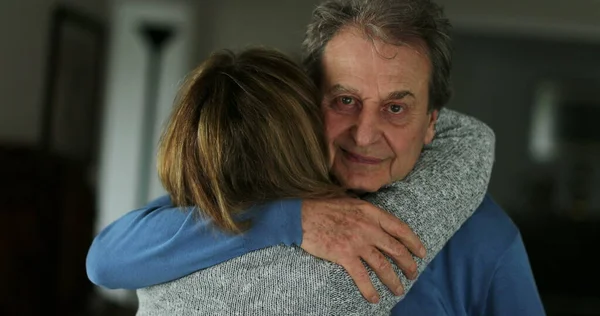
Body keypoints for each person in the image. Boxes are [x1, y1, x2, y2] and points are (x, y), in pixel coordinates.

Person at [88, 0, 544, 314]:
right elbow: (108, 258)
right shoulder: (254, 191)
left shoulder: (488, 239)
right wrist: (289, 218)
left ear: (432, 124)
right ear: (310, 99)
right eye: (344, 100)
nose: (365, 135)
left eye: (396, 108)